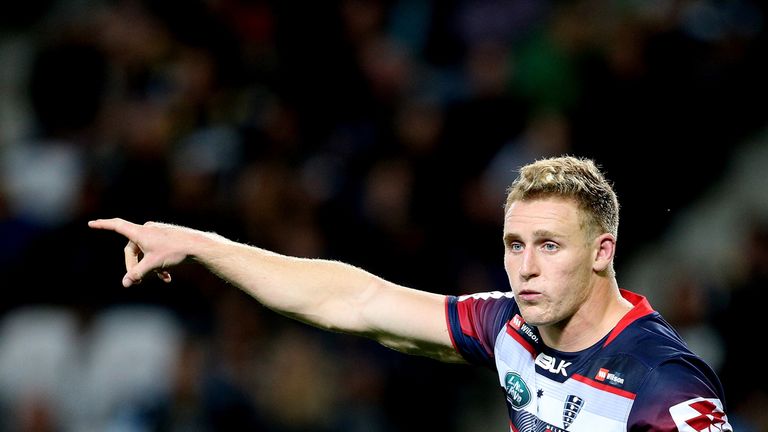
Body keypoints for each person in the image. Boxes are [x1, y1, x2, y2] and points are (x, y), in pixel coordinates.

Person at [89, 155, 731, 431]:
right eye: (514, 245)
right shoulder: (508, 325)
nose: (525, 268)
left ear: (602, 252)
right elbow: (354, 301)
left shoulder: (666, 385)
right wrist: (206, 247)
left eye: (550, 246)